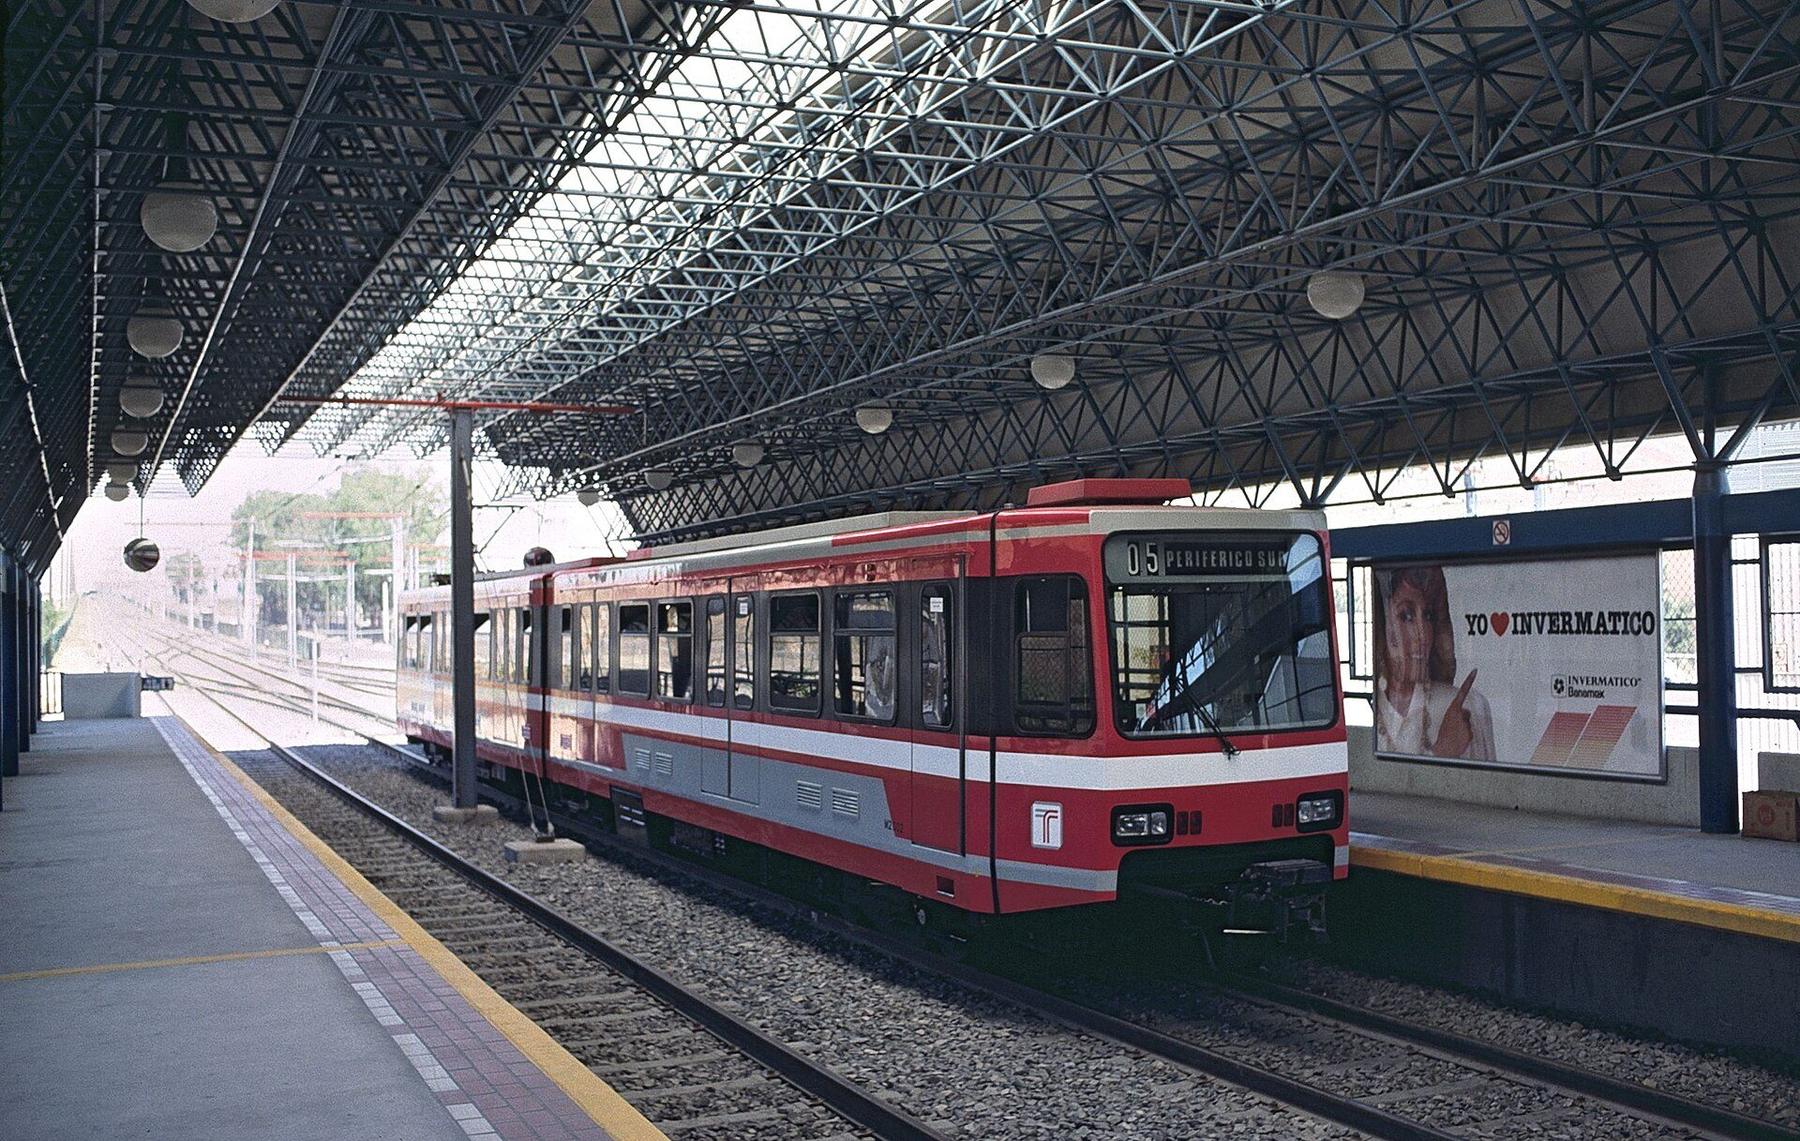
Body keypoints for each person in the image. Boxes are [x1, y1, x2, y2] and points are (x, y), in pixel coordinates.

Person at [1374, 565, 1497, 762]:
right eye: (1406, 616)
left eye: (1429, 615)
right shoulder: (1358, 709)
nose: (1423, 635)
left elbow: (1489, 788)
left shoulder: (1469, 706)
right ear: (1380, 625)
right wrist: (1442, 750)